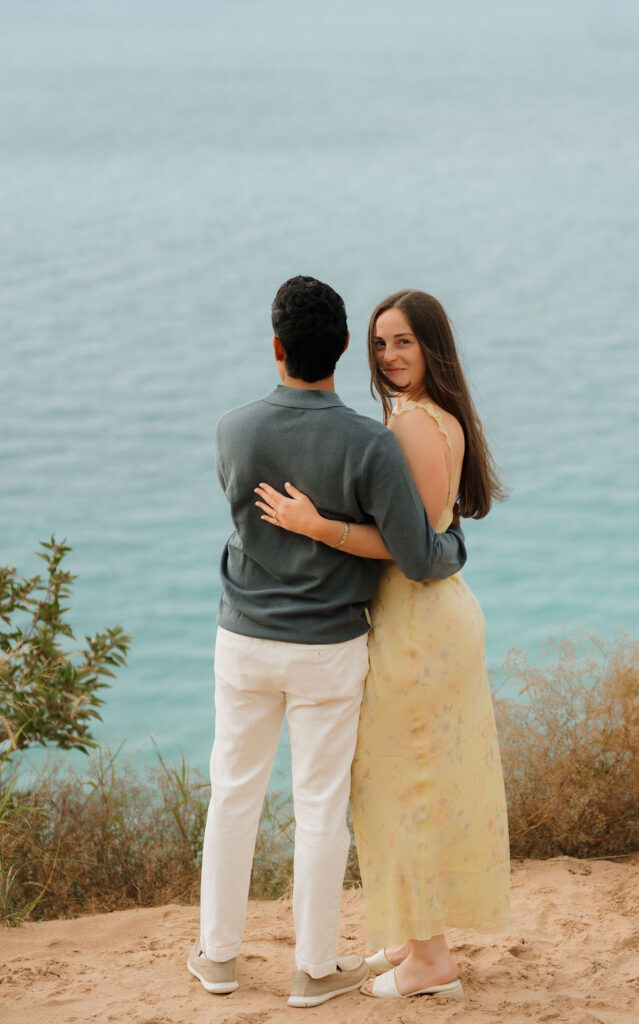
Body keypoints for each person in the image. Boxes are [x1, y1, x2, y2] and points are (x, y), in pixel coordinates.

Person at [187, 276, 467, 1008]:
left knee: (233, 795)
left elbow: (241, 517)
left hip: (242, 638)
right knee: (318, 806)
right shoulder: (369, 443)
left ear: (276, 347)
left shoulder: (232, 429)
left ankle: (217, 958)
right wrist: (454, 550)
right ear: (345, 346)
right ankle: (312, 970)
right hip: (328, 648)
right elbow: (418, 554)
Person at [254, 289, 510, 1001]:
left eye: (402, 342)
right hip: (425, 618)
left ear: (432, 347)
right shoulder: (425, 419)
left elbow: (413, 549)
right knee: (403, 781)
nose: (388, 356)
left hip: (418, 625)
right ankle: (411, 939)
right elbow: (436, 539)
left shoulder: (412, 429)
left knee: (402, 787)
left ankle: (430, 962)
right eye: (378, 343)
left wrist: (314, 526)